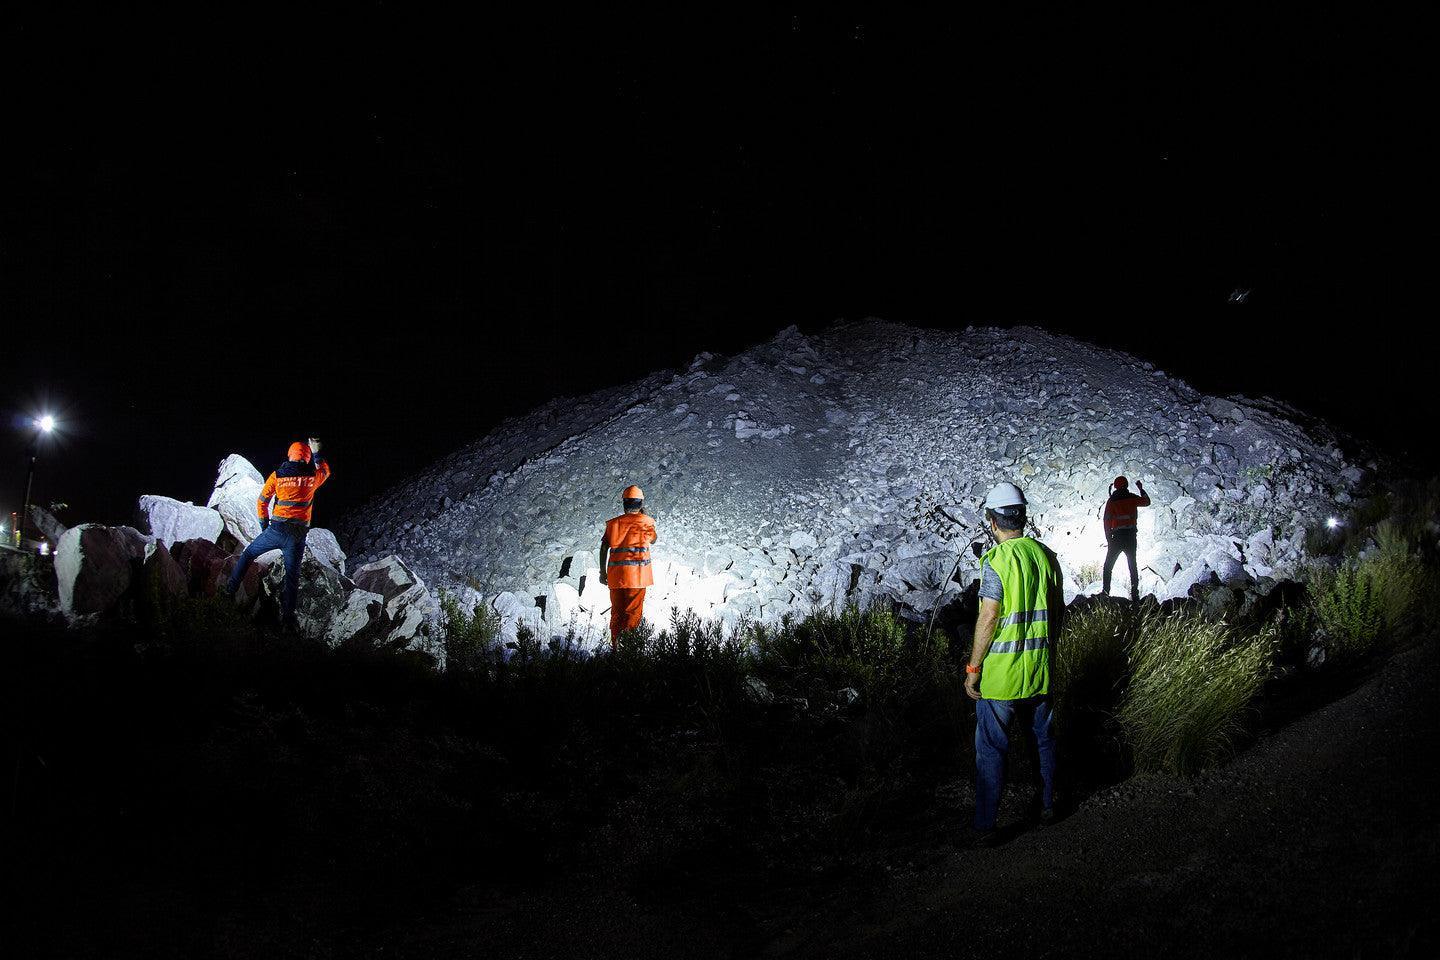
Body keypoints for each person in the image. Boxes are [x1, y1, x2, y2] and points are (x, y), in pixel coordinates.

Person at [965, 481, 1064, 846]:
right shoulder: (1047, 557)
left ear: (992, 522)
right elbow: (1057, 613)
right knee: (1043, 741)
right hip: (1040, 671)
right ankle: (1048, 806)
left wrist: (973, 669)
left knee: (991, 749)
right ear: (1023, 517)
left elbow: (988, 619)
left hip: (1001, 678)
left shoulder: (997, 562)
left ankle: (986, 827)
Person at [226, 438, 331, 629]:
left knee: (248, 554)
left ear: (290, 455)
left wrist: (264, 527)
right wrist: (317, 452)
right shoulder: (311, 478)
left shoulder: (277, 475)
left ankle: (229, 592)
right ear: (306, 458)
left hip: (275, 530)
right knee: (292, 577)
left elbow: (262, 501)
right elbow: (325, 470)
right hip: (297, 535)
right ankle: (287, 621)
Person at [598, 485, 657, 651]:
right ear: (641, 503)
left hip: (616, 577)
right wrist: (644, 516)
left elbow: (604, 548)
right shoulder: (647, 522)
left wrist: (602, 572)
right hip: (638, 578)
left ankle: (616, 648)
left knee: (616, 612)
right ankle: (630, 651)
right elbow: (653, 540)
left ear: (624, 504)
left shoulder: (613, 524)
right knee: (633, 613)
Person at [1101, 475, 1150, 601]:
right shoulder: (1132, 498)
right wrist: (1141, 489)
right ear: (1126, 485)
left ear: (1116, 486)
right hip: (1130, 536)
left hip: (1116, 537)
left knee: (1108, 566)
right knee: (1132, 565)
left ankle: (1105, 592)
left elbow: (1106, 520)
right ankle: (1135, 594)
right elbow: (1146, 501)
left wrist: (1108, 537)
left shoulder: (1112, 501)